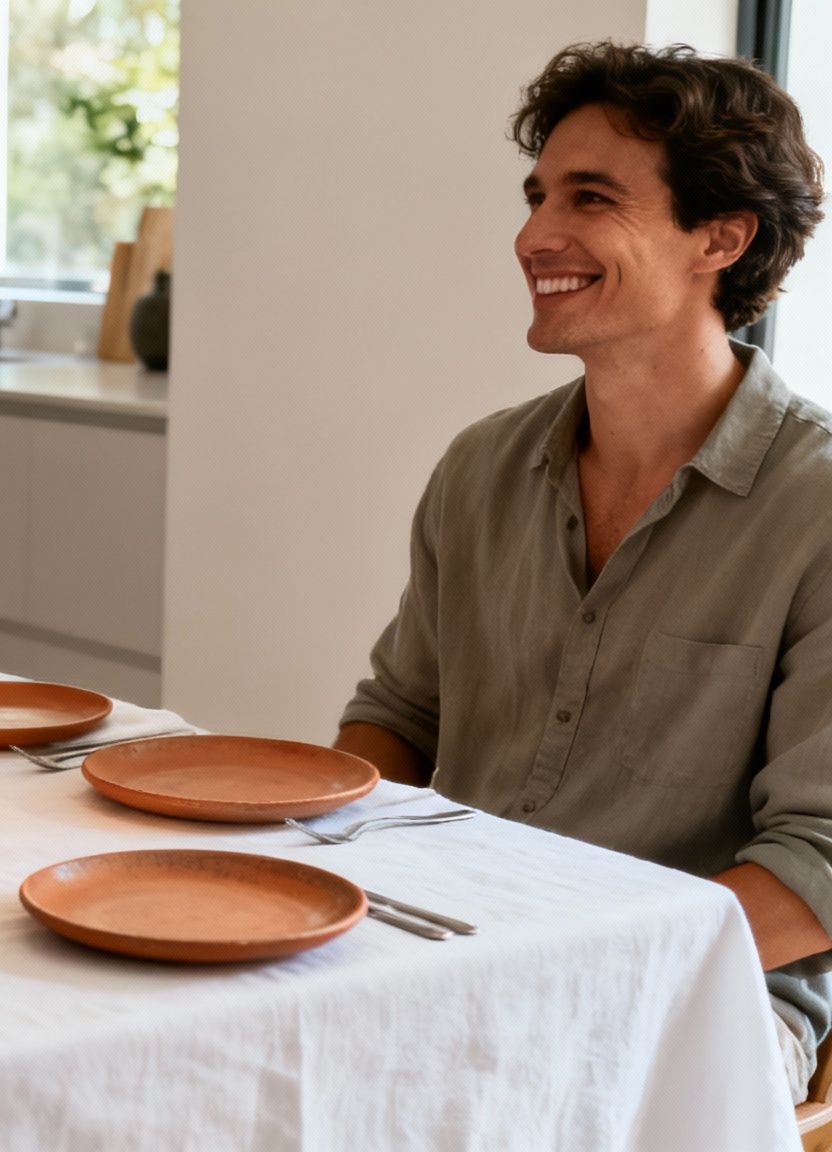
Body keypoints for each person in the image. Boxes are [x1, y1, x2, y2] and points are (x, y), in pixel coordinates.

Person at [337, 41, 828, 1100]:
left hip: (697, 1002)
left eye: (588, 198)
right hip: (441, 946)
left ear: (721, 237)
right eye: (535, 195)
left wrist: (555, 968)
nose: (530, 236)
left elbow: (818, 867)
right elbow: (400, 714)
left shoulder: (816, 507)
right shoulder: (479, 466)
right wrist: (325, 852)